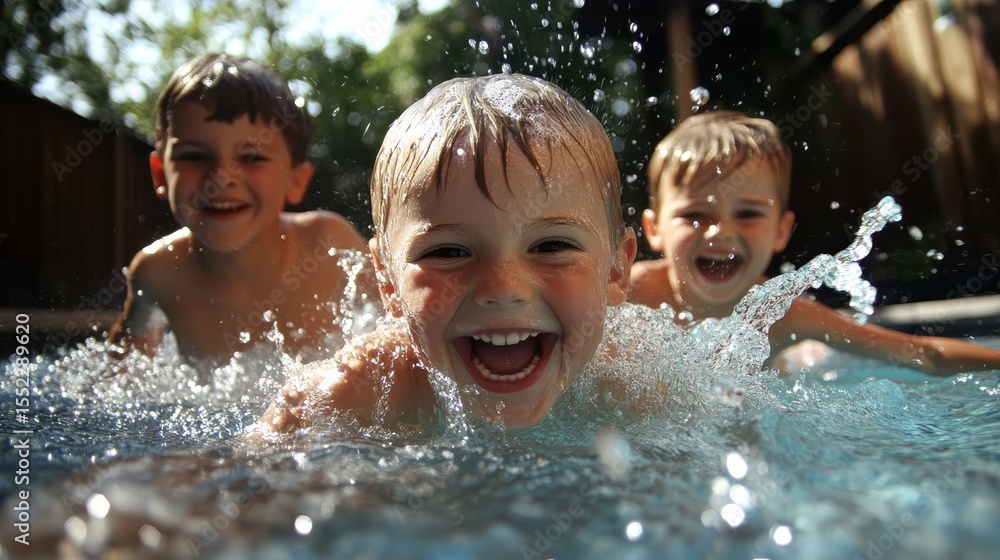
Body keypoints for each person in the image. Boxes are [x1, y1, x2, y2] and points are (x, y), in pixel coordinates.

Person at [254, 73, 638, 435]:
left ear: (617, 269)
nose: (503, 288)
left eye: (552, 246)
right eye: (449, 251)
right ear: (388, 281)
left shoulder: (636, 391)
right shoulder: (357, 392)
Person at [629, 109, 1000, 375]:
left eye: (748, 214)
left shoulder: (787, 315)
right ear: (654, 228)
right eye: (695, 215)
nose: (721, 232)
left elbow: (921, 354)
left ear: (781, 231)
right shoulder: (627, 293)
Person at [108, 53, 374, 368]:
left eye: (251, 157)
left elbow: (404, 333)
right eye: (195, 156)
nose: (221, 176)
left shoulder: (328, 244)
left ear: (296, 179)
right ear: (160, 174)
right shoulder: (159, 272)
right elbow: (117, 379)